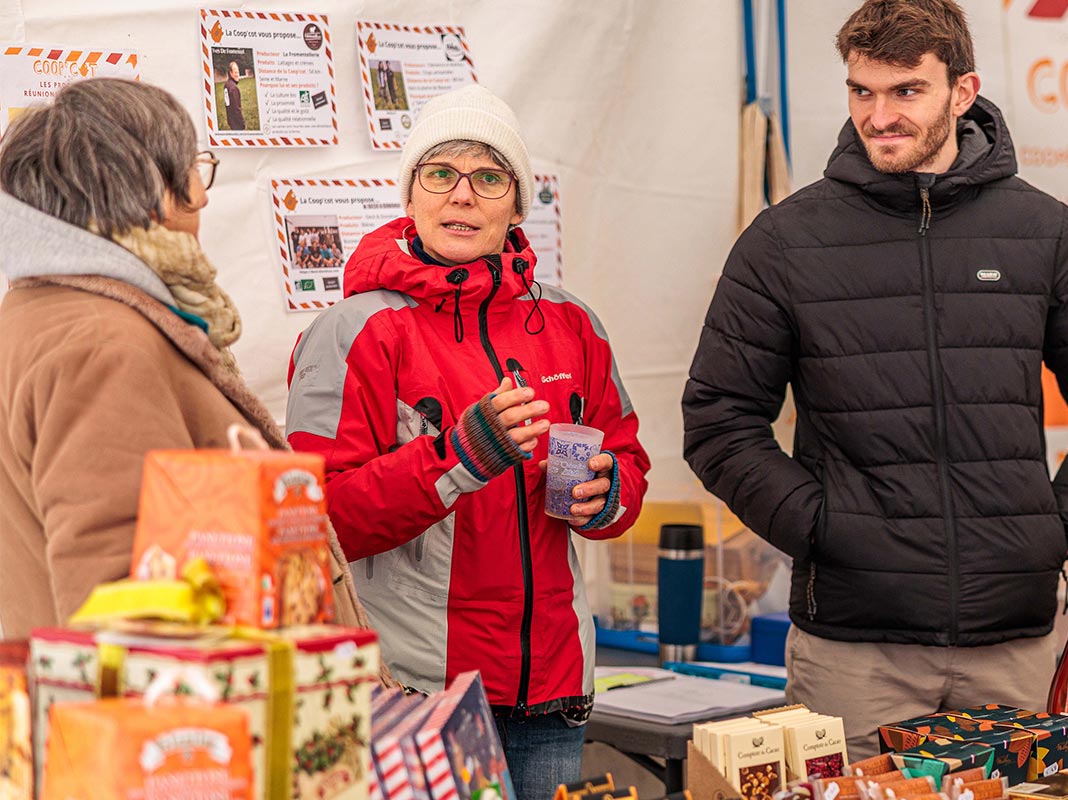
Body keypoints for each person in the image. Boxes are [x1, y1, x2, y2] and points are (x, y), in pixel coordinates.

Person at [682, 0, 1068, 759]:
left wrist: (1058, 530)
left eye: (905, 91)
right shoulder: (785, 242)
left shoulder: (1044, 232)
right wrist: (822, 529)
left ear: (961, 92)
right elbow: (719, 419)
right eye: (861, 91)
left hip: (1014, 646)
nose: (879, 116)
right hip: (853, 651)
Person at [286, 84, 650, 796]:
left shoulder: (574, 324)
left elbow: (628, 462)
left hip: (553, 687)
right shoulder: (354, 331)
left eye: (488, 178)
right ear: (411, 196)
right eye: (440, 174)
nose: (462, 196)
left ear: (517, 206)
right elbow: (313, 524)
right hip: (421, 694)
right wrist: (458, 459)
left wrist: (608, 496)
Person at [0, 78, 371, 640]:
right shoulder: (103, 345)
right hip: (185, 716)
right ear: (150, 192)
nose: (203, 195)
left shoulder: (42, 311)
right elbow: (128, 602)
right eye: (195, 170)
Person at [224, 60, 246, 130]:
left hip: (231, 120)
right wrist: (242, 124)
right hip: (237, 124)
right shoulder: (233, 88)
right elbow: (237, 109)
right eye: (235, 72)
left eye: (238, 72)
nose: (238, 74)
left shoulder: (226, 85)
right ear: (230, 73)